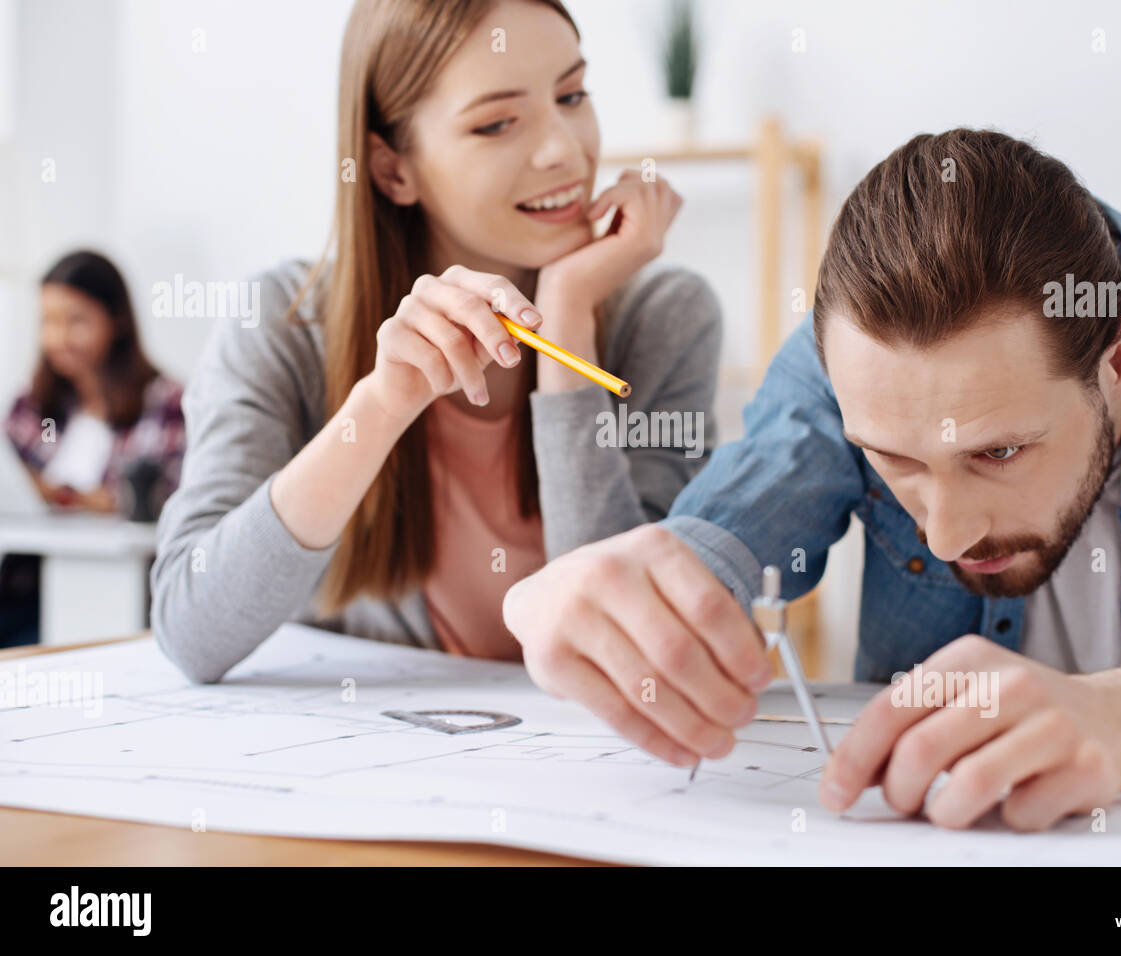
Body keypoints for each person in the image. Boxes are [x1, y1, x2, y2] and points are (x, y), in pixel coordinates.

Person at [502, 128, 1121, 832]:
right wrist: (579, 602)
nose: (946, 535)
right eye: (899, 463)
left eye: (1000, 452)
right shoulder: (859, 371)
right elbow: (702, 554)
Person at [150, 0, 722, 681]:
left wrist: (568, 312)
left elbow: (627, 636)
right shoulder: (281, 323)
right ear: (393, 170)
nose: (565, 150)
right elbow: (191, 630)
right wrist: (383, 404)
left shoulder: (664, 317)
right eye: (497, 123)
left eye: (571, 94)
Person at [1, 249, 185, 646]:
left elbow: (174, 502)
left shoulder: (166, 404)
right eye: (48, 322)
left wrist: (73, 498)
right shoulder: (36, 407)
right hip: (26, 590)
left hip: (121, 599)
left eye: (77, 321)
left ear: (116, 320)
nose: (58, 338)